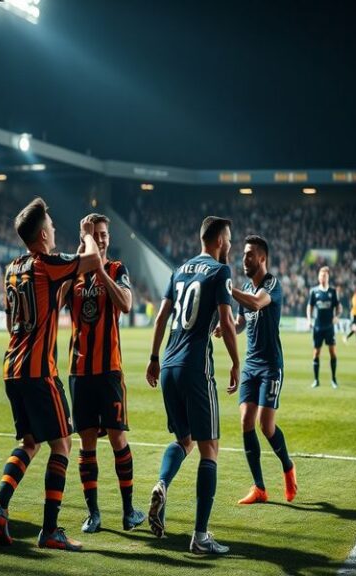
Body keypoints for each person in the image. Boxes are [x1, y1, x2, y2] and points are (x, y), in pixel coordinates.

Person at [0, 198, 100, 552]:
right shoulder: (46, 263)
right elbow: (94, 261)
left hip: (13, 369)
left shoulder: (13, 268)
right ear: (42, 234)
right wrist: (88, 236)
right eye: (50, 225)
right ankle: (50, 529)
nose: (54, 229)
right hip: (38, 371)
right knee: (63, 444)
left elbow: (14, 317)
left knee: (29, 442)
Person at [145, 215, 240, 555]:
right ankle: (200, 537)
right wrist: (235, 363)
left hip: (168, 362)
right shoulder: (220, 271)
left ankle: (161, 483)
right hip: (196, 366)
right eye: (228, 239)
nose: (230, 245)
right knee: (209, 448)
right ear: (217, 241)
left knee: (184, 440)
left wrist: (154, 358)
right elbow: (227, 323)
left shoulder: (179, 270)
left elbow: (161, 317)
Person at [59, 213, 145, 534]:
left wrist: (97, 269)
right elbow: (53, 304)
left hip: (109, 370)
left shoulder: (117, 269)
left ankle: (128, 511)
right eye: (96, 234)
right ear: (85, 237)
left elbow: (125, 303)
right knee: (87, 443)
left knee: (118, 438)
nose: (103, 238)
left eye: (105, 233)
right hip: (79, 371)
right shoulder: (72, 275)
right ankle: (93, 514)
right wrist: (80, 263)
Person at [218, 235, 296, 505]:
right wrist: (226, 327)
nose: (244, 258)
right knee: (245, 422)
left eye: (250, 254)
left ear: (262, 258)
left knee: (266, 424)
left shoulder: (271, 285)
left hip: (271, 366)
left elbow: (256, 303)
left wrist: (228, 290)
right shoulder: (243, 287)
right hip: (250, 365)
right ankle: (259, 488)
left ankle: (287, 467)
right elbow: (242, 320)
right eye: (243, 254)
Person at [307, 266, 341, 389]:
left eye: (325, 276)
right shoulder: (314, 291)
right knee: (316, 353)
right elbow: (309, 307)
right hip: (318, 327)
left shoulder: (333, 291)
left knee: (332, 352)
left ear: (328, 277)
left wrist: (337, 316)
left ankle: (334, 379)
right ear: (318, 277)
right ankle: (316, 380)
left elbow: (339, 307)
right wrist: (309, 320)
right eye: (321, 275)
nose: (322, 277)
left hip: (329, 327)